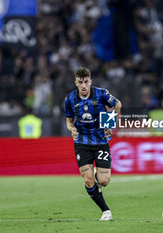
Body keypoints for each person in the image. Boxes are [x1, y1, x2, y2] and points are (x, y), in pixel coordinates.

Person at [65, 67, 122, 221]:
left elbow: (117, 104)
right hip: (81, 142)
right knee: (88, 180)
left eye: (86, 82)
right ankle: (106, 211)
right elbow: (69, 121)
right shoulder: (69, 99)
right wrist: (72, 129)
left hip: (101, 141)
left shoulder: (101, 93)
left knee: (104, 181)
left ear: (90, 81)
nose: (83, 85)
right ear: (75, 83)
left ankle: (98, 178)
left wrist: (111, 123)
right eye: (80, 82)